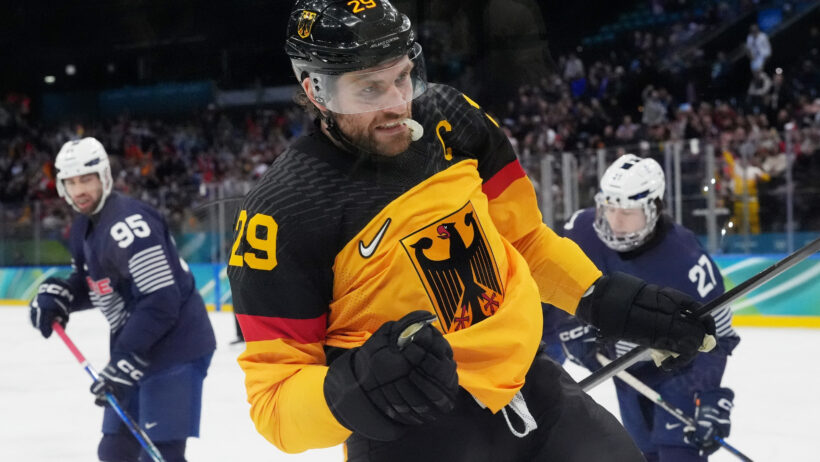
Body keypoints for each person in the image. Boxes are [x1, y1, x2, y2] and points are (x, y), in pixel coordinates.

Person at [227, 1, 716, 460]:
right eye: (370, 89)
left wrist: (600, 297)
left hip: (535, 392)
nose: (399, 103)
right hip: (411, 438)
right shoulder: (280, 212)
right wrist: (351, 390)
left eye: (404, 77)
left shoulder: (453, 118)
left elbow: (524, 241)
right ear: (316, 92)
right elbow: (273, 400)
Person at [29, 137, 216, 462]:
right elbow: (97, 283)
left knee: (161, 455)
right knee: (114, 451)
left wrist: (127, 356)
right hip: (137, 348)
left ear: (104, 177)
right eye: (71, 182)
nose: (79, 191)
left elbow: (160, 298)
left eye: (86, 179)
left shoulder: (131, 225)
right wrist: (61, 295)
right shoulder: (83, 225)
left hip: (175, 349)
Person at [546, 154, 741, 461]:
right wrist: (563, 335)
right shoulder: (581, 231)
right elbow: (549, 287)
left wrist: (709, 397)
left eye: (627, 211)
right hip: (625, 372)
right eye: (609, 208)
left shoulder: (686, 258)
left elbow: (720, 335)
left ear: (654, 207)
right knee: (641, 453)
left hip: (678, 372)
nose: (614, 220)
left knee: (679, 453)